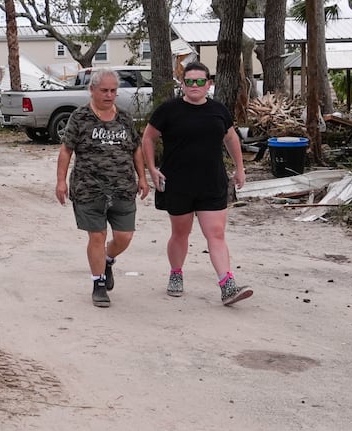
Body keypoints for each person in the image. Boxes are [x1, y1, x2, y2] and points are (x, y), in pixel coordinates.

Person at [141, 61, 252, 306]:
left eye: (200, 81)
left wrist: (240, 169)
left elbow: (231, 138)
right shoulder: (168, 110)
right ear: (182, 85)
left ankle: (227, 285)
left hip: (212, 182)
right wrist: (152, 168)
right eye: (189, 81)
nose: (194, 85)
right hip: (177, 182)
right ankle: (176, 273)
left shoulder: (219, 110)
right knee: (181, 233)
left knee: (216, 233)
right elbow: (148, 137)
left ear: (208, 84)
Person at [55, 68, 148, 307]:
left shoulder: (125, 118)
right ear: (92, 90)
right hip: (89, 188)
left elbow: (136, 148)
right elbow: (66, 149)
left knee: (124, 236)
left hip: (122, 188)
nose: (109, 95)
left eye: (113, 91)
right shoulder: (80, 117)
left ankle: (108, 259)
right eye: (104, 90)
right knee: (97, 235)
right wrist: (61, 181)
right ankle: (98, 283)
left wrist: (142, 177)